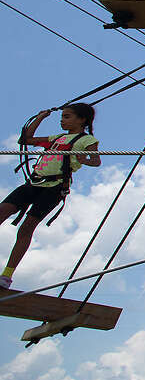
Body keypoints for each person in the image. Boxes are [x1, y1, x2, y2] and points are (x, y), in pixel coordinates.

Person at [0, 104, 100, 290]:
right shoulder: (57, 138)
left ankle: (6, 275)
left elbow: (96, 161)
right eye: (62, 116)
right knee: (2, 211)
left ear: (81, 120)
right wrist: (40, 118)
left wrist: (83, 159)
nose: (62, 120)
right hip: (34, 183)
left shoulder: (86, 140)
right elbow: (25, 140)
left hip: (54, 188)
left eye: (67, 117)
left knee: (26, 227)